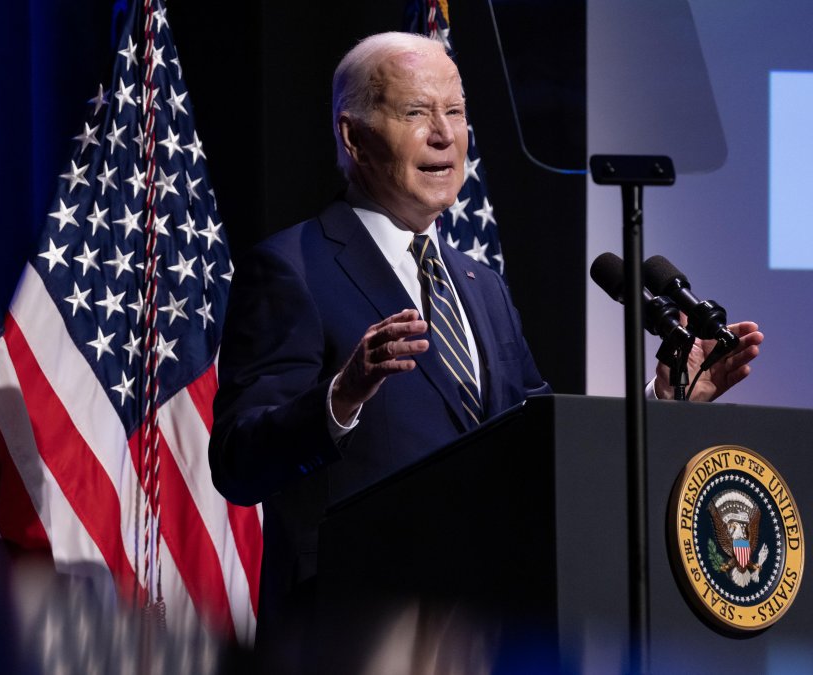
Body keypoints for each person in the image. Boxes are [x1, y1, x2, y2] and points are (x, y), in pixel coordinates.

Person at [207, 31, 762, 636]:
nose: (445, 134)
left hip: (489, 629)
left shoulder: (480, 285)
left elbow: (540, 444)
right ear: (353, 136)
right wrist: (340, 399)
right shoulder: (294, 267)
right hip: (355, 633)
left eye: (456, 113)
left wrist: (665, 404)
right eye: (417, 112)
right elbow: (238, 463)